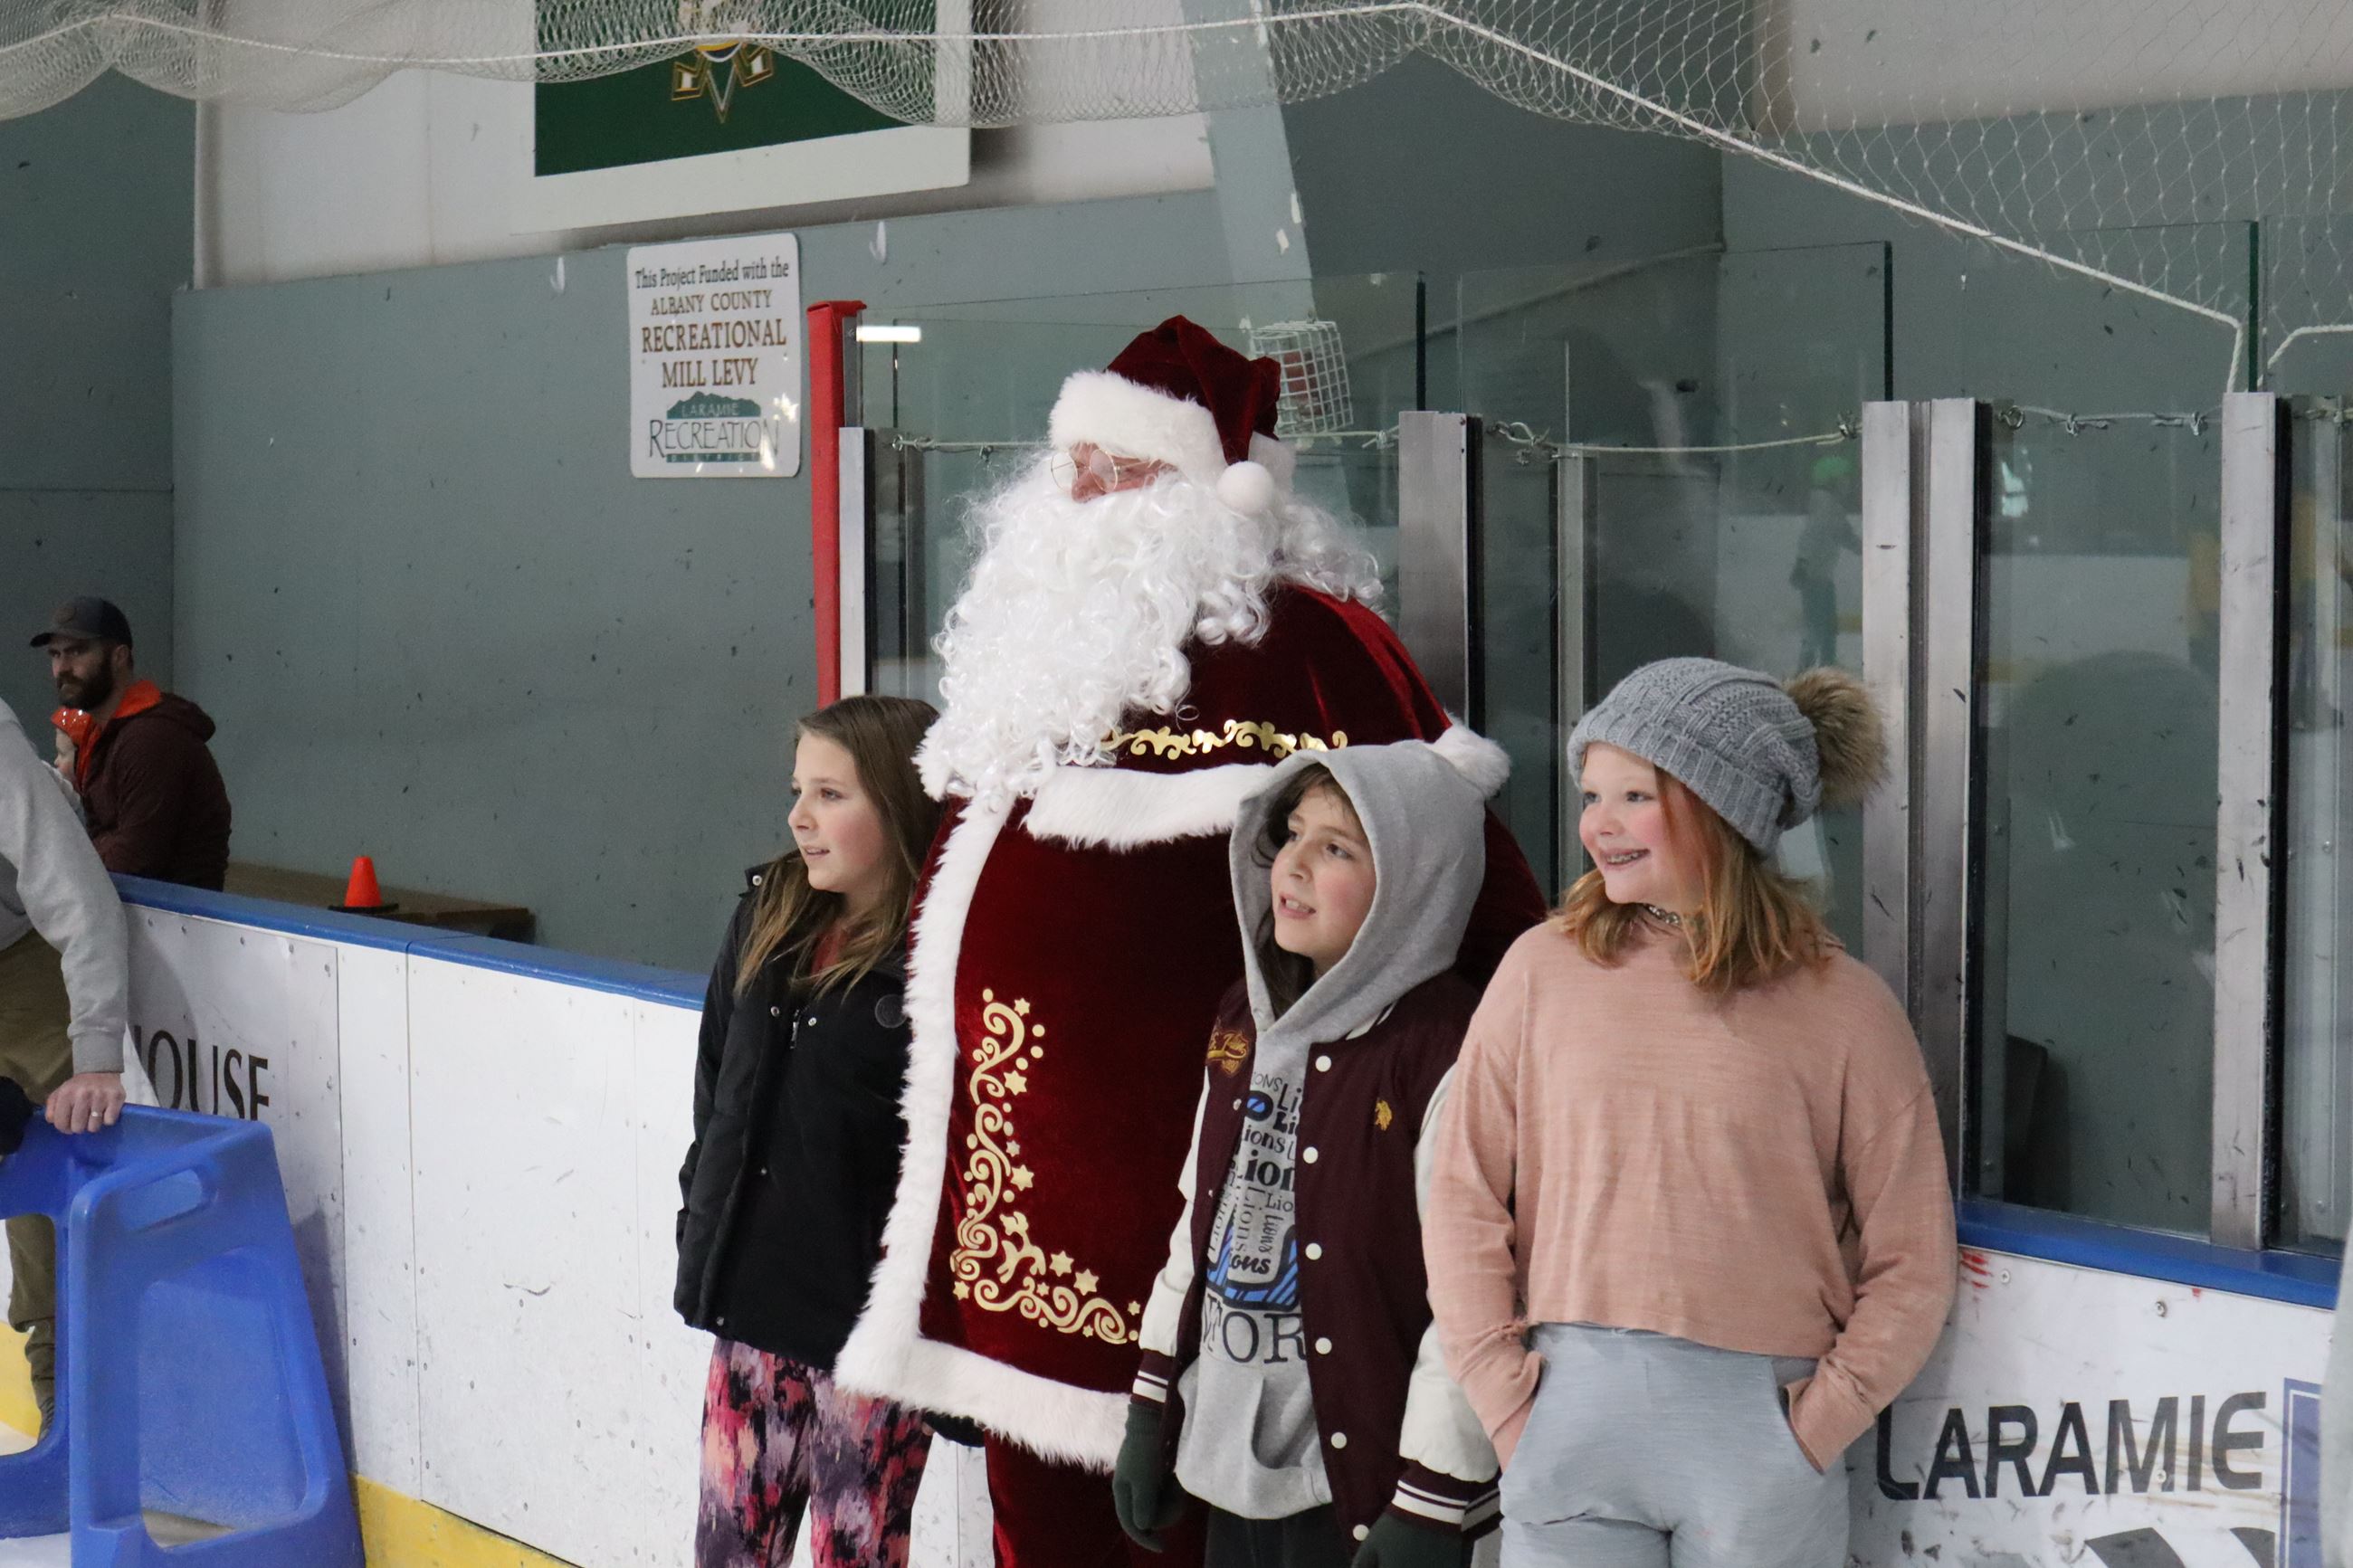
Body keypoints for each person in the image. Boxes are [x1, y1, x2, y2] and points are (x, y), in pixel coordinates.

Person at [834, 316, 1548, 1568]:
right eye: (1079, 459)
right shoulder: (1033, 667)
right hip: (1015, 1257)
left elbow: (1477, 908)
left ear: (1219, 491)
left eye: (1125, 463)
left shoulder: (1315, 652)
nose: (1086, 489)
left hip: (1221, 1259)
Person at [1424, 658, 1958, 1568]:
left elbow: (1912, 1255)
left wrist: (1813, 1426)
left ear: (1722, 807)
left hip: (1760, 1439)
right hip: (1567, 1417)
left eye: (1635, 794)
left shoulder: (1845, 1008)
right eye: (1593, 791)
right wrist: (1505, 1401)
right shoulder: (1539, 971)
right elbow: (1459, 1186)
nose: (1598, 821)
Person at [1116, 744, 1504, 1568]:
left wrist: (1436, 1491)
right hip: (1234, 1473)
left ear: (1414, 885)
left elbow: (1476, 1297)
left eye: (1336, 848)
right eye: (1291, 833)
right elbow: (1201, 1220)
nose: (1291, 863)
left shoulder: (1445, 1051)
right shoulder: (1244, 1018)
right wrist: (1153, 1406)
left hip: (1364, 1491)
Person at [674, 693, 944, 1568]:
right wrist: (703, 1225)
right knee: (726, 1553)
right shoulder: (768, 916)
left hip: (870, 1343)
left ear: (900, 802)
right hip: (750, 1308)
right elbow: (718, 1090)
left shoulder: (941, 958)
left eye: (831, 794)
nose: (799, 816)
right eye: (798, 790)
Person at [0, 694, 133, 1427]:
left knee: (53, 1167)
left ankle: (73, 1414)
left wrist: (96, 1053)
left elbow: (79, 897)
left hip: (19, 952)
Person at [32, 595, 233, 890]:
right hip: (133, 914)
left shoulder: (153, 739)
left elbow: (134, 860)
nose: (62, 668)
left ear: (119, 657)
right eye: (55, 654)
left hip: (179, 924)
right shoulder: (96, 735)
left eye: (76, 652)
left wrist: (61, 857)